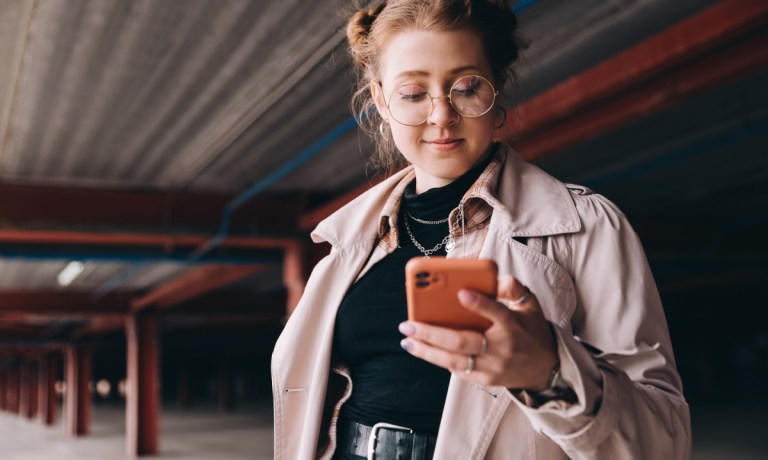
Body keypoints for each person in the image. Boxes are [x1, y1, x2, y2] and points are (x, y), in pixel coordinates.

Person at [272, 1, 691, 458]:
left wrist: (550, 371)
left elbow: (663, 443)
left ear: (497, 92)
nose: (441, 116)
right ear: (380, 103)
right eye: (413, 93)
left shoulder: (586, 227)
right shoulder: (346, 245)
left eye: (467, 87)